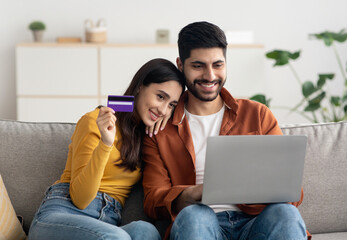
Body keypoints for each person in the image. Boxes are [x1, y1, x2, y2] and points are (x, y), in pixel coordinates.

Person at [142, 22, 310, 240]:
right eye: (198, 66)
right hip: (201, 223)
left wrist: (257, 189)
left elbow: (293, 193)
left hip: (255, 223)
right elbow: (153, 201)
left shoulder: (257, 114)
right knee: (194, 215)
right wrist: (190, 194)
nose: (210, 76)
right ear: (181, 66)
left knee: (286, 212)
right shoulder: (161, 127)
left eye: (218, 65)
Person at [28, 58, 185, 240]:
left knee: (146, 231)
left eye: (172, 105)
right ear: (140, 86)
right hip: (61, 216)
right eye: (160, 97)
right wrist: (105, 144)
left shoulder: (147, 137)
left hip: (106, 223)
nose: (163, 110)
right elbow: (80, 198)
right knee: (117, 238)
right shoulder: (96, 121)